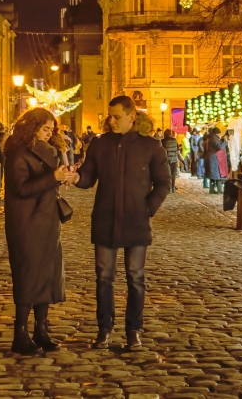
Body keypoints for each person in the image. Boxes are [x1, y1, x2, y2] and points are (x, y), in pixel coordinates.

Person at [75, 96, 170, 349]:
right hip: (105, 219)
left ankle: (133, 331)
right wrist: (75, 178)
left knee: (135, 277)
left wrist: (148, 208)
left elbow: (163, 183)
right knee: (103, 277)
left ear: (132, 117)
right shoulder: (100, 144)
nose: (112, 121)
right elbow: (88, 177)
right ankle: (104, 329)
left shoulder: (150, 147)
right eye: (110, 116)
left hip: (136, 221)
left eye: (117, 116)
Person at [4, 108, 78, 355]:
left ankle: (41, 330)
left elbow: (49, 180)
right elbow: (20, 188)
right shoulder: (18, 153)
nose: (49, 133)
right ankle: (20, 334)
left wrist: (62, 177)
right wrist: (53, 177)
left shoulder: (51, 152)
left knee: (47, 274)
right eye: (45, 128)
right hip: (26, 222)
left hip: (47, 220)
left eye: (51, 129)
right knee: (28, 275)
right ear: (32, 127)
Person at [202, 128, 226, 194]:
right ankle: (219, 190)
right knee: (217, 174)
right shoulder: (214, 139)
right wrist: (224, 142)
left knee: (213, 175)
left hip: (211, 158)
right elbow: (219, 147)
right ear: (217, 133)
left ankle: (212, 189)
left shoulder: (211, 138)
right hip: (213, 159)